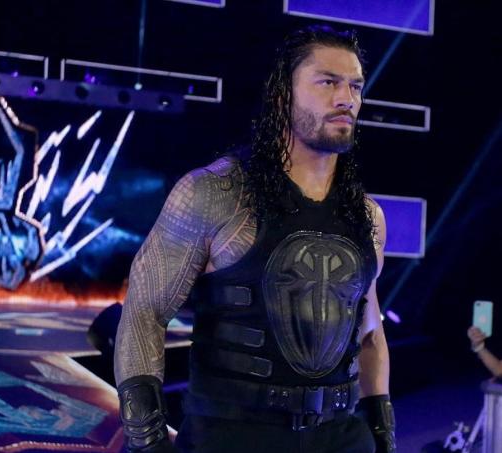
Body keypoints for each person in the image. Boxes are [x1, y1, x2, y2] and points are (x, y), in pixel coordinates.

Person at [114, 25, 395, 453]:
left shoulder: (367, 216)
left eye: (355, 86)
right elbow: (144, 313)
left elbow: (370, 333)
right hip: (234, 435)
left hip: (340, 435)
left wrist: (383, 434)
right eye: (328, 82)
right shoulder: (216, 194)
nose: (347, 99)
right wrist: (146, 440)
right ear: (283, 95)